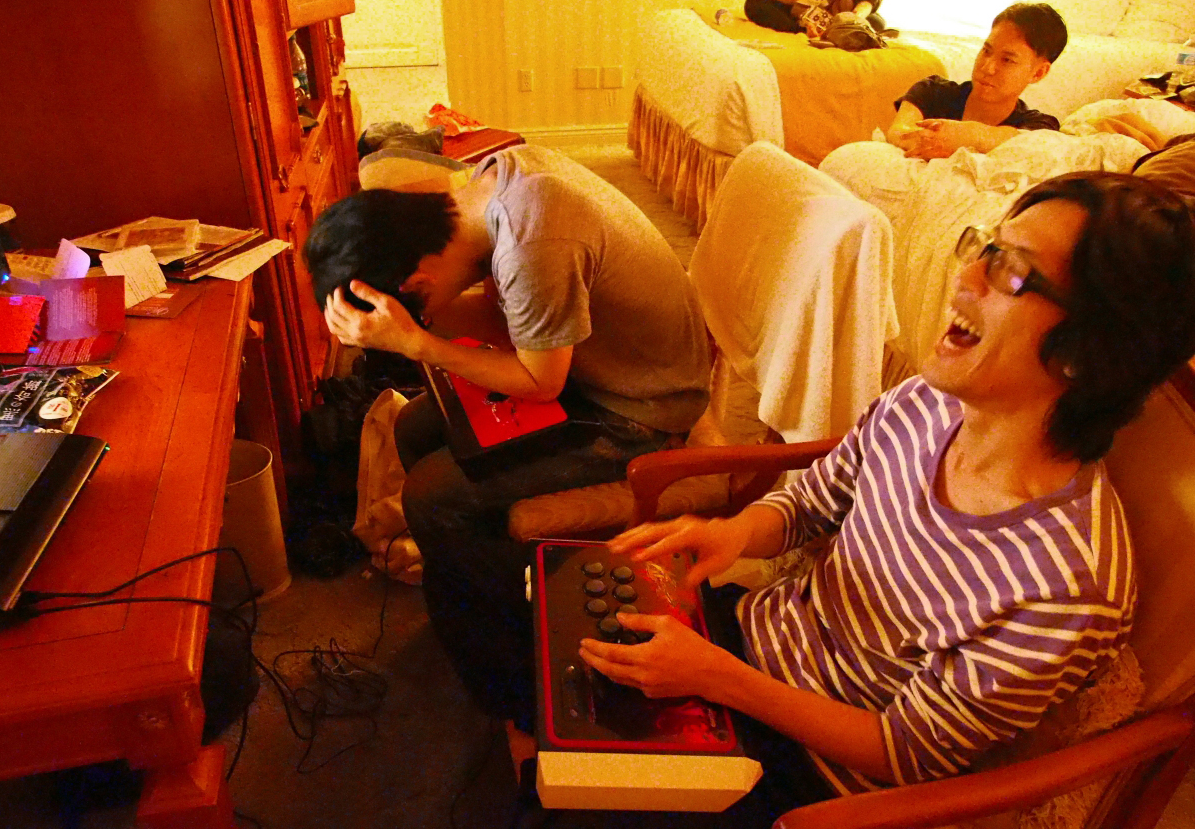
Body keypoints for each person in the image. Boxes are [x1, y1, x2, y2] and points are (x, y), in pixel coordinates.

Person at [509, 172, 1195, 827]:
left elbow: (907, 753)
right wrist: (736, 533)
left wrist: (718, 679)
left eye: (1011, 271)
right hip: (744, 642)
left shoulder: (1066, 588)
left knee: (570, 795)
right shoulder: (926, 402)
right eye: (983, 247)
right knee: (526, 615)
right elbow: (811, 502)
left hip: (811, 773)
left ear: (1088, 353)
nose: (965, 276)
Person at [304, 144, 711, 719]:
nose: (426, 318)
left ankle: (515, 685)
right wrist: (404, 330)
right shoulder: (492, 183)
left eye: (420, 306)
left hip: (640, 405)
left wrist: (417, 342)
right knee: (415, 427)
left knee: (434, 496)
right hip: (592, 362)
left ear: (419, 279)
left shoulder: (528, 244)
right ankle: (478, 591)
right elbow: (510, 320)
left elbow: (539, 382)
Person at [887, 3, 1066, 159]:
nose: (987, 68)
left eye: (1007, 60)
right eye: (986, 51)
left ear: (1038, 73)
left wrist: (969, 135)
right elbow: (899, 130)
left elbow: (1025, 143)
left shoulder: (1041, 128)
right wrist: (921, 141)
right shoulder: (932, 91)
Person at [744, 0, 885, 36]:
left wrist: (853, 20)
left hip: (841, 16)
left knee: (877, 22)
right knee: (755, 3)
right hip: (800, 12)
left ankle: (836, 33)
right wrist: (815, 0)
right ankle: (803, 31)